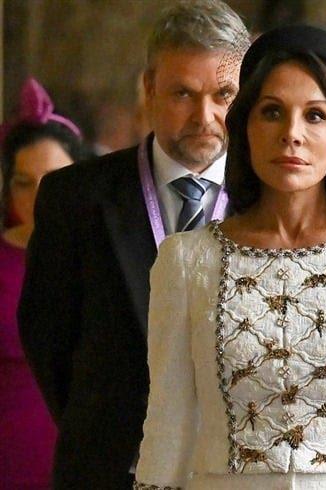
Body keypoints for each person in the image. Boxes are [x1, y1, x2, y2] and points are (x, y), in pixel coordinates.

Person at [134, 25, 326, 489]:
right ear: (245, 128)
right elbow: (166, 431)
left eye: (315, 115)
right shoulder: (186, 262)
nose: (291, 135)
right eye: (272, 112)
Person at [17, 1, 249, 487]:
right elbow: (47, 337)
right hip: (108, 469)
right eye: (183, 93)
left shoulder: (271, 200)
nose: (205, 116)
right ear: (149, 88)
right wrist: (103, 432)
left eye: (223, 94)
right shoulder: (74, 198)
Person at [0, 78, 89, 489]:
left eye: (53, 180)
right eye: (23, 183)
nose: (39, 198)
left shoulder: (106, 258)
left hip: (90, 460)